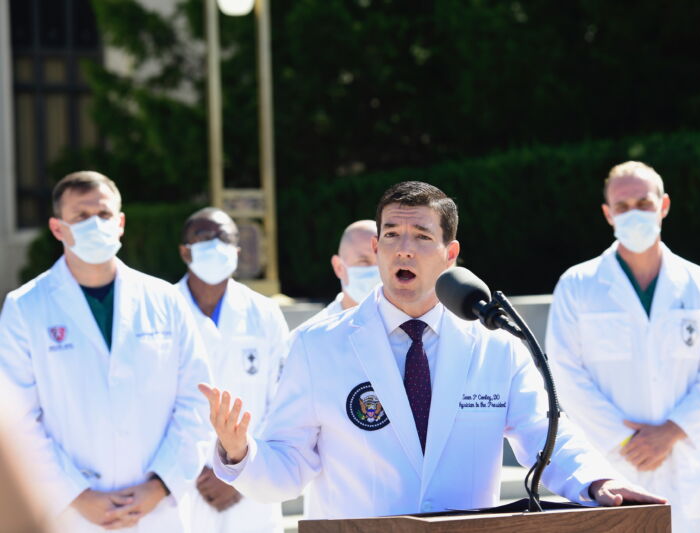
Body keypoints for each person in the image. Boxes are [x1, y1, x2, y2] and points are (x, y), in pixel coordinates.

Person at [200, 180, 665, 519]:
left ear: (450, 253)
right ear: (378, 248)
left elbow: (548, 437)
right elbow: (287, 470)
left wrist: (598, 481)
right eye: (391, 236)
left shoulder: (496, 345)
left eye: (421, 237)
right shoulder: (318, 347)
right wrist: (241, 453)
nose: (404, 249)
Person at [0, 171, 211, 532]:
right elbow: (17, 420)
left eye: (104, 215)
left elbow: (197, 400)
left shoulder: (165, 301)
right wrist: (77, 495)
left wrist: (159, 485)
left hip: (157, 511)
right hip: (70, 513)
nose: (95, 225)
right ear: (57, 229)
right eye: (81, 217)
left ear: (121, 222)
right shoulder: (25, 307)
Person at [545, 161, 700, 533]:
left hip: (686, 462)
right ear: (608, 214)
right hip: (611, 463)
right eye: (623, 206)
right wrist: (626, 438)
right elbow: (566, 376)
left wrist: (671, 431)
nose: (634, 214)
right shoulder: (577, 285)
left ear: (663, 205)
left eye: (644, 203)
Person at [176, 207, 290, 533]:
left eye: (224, 237)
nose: (216, 245)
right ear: (185, 251)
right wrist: (197, 467)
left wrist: (237, 471)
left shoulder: (265, 313)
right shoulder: (162, 309)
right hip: (185, 481)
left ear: (237, 251)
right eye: (205, 237)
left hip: (252, 481)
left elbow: (281, 401)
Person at [301, 219, 379, 326]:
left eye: (381, 261)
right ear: (339, 267)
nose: (377, 269)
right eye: (364, 261)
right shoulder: (310, 337)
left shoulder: (407, 328)